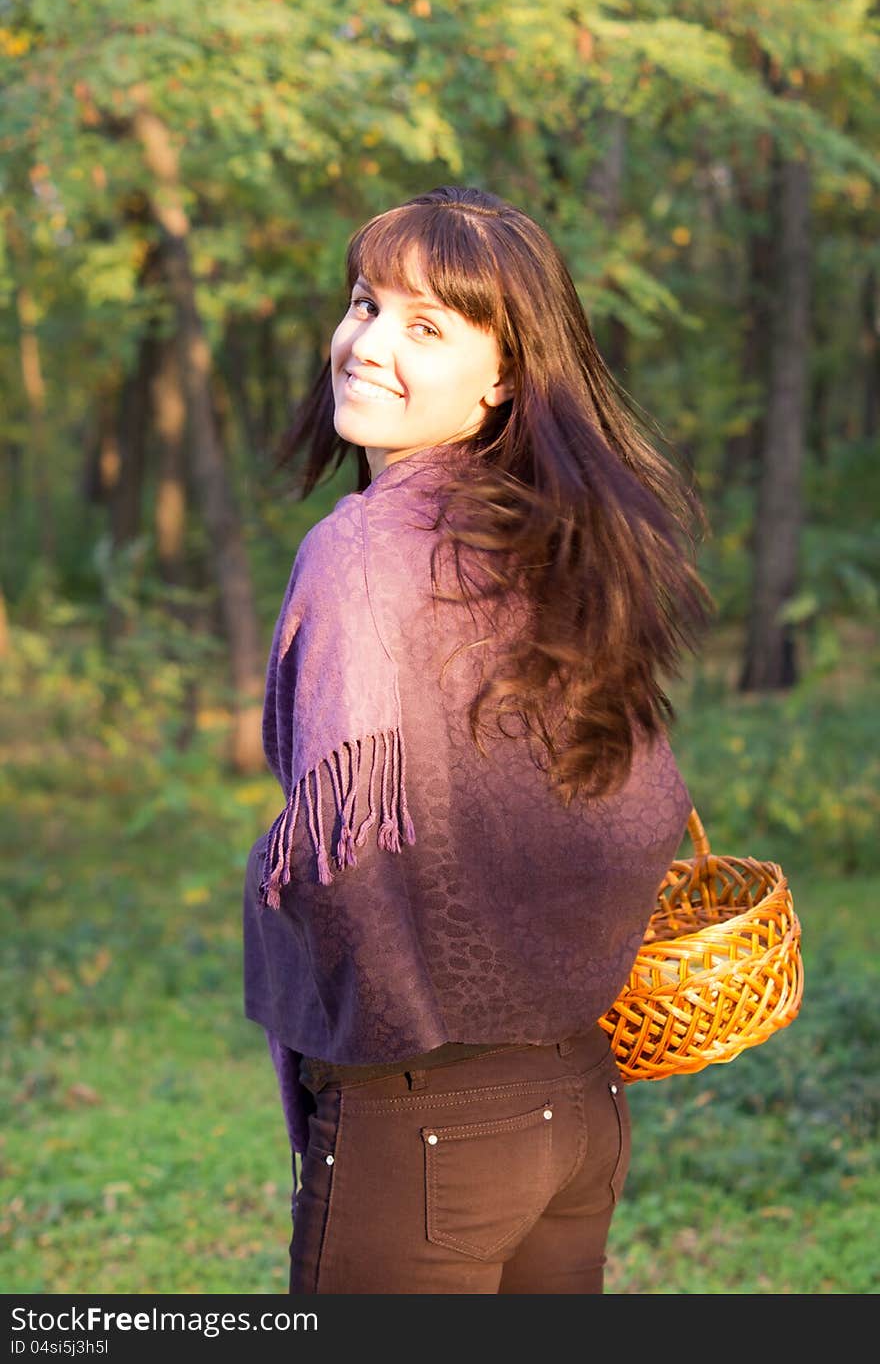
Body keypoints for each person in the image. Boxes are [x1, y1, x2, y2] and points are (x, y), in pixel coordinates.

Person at [242, 184, 715, 1295]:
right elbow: (647, 811)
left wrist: (389, 1040)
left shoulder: (360, 552)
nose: (365, 344)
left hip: (427, 1122)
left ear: (502, 375)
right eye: (364, 304)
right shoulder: (564, 546)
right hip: (577, 1108)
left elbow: (343, 859)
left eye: (424, 326)